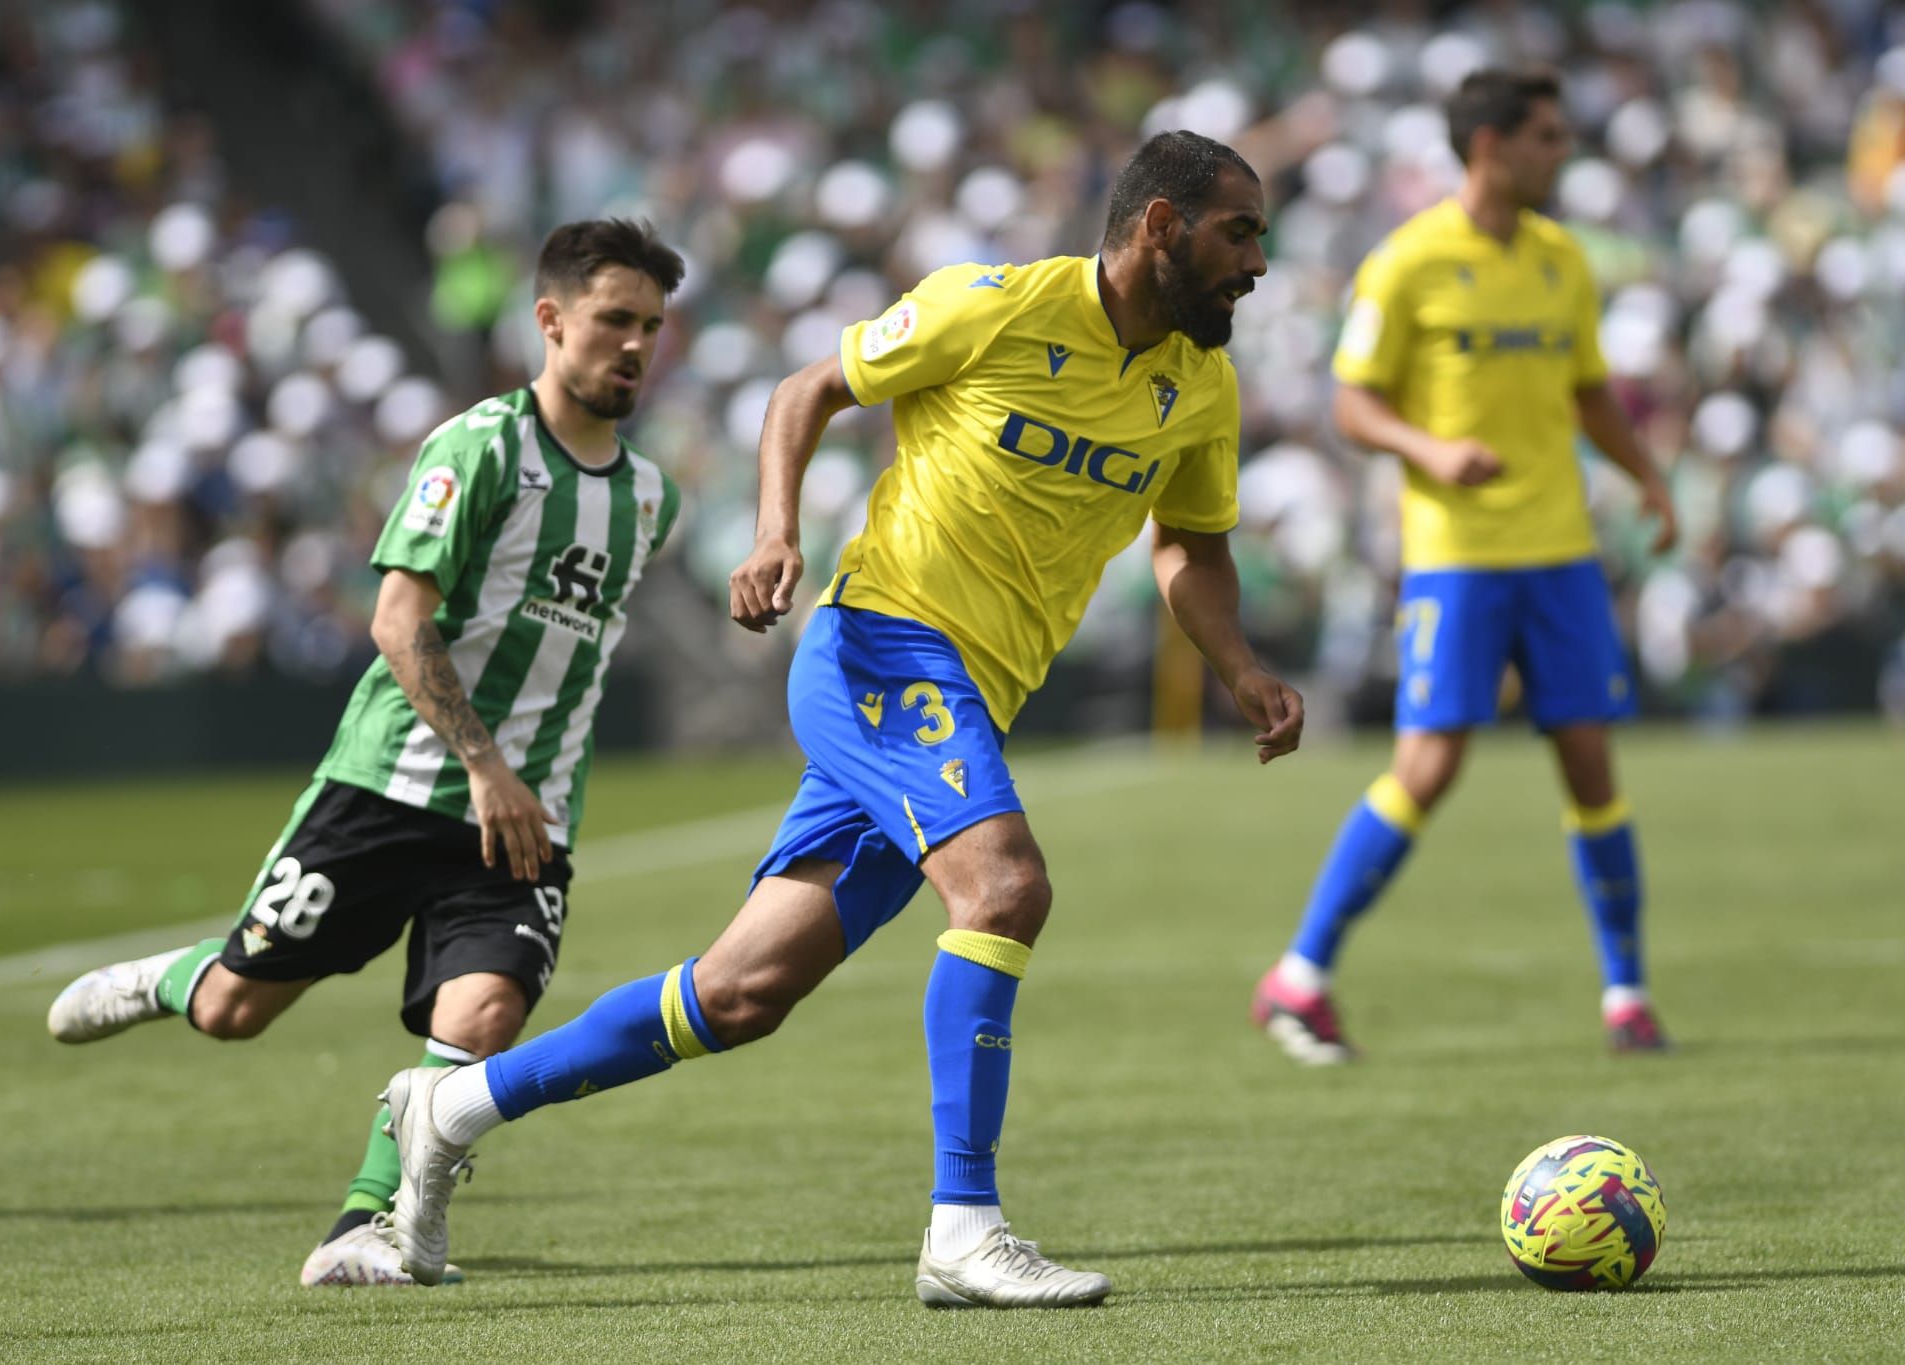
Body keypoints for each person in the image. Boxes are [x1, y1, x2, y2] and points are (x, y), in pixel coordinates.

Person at [373, 130, 1304, 1308]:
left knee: (741, 995)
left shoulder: (1199, 385)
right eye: (1240, 232)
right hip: (879, 645)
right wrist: (775, 533)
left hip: (967, 696)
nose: (1259, 261)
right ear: (1160, 227)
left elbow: (1190, 544)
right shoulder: (993, 307)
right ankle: (963, 1228)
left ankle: (451, 1106)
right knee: (1004, 887)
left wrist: (1234, 666)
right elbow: (806, 390)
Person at [43, 219, 688, 1285]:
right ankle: (174, 977)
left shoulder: (651, 498)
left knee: (480, 1016)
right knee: (234, 1012)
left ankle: (365, 1223)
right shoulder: (478, 448)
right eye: (613, 320)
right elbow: (398, 622)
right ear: (551, 320)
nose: (632, 345)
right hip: (391, 786)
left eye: (651, 327)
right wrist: (484, 764)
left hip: (527, 817)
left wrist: (516, 783)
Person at [1251, 69, 1680, 1065]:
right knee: (1428, 766)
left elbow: (1588, 392)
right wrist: (1431, 450)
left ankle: (1626, 995)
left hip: (1560, 551)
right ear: (1487, 146)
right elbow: (1351, 403)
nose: (1559, 153)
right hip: (1454, 560)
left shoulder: (1561, 260)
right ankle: (1297, 976)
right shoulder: (1406, 263)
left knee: (1589, 767)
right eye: (1544, 136)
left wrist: (1648, 477)